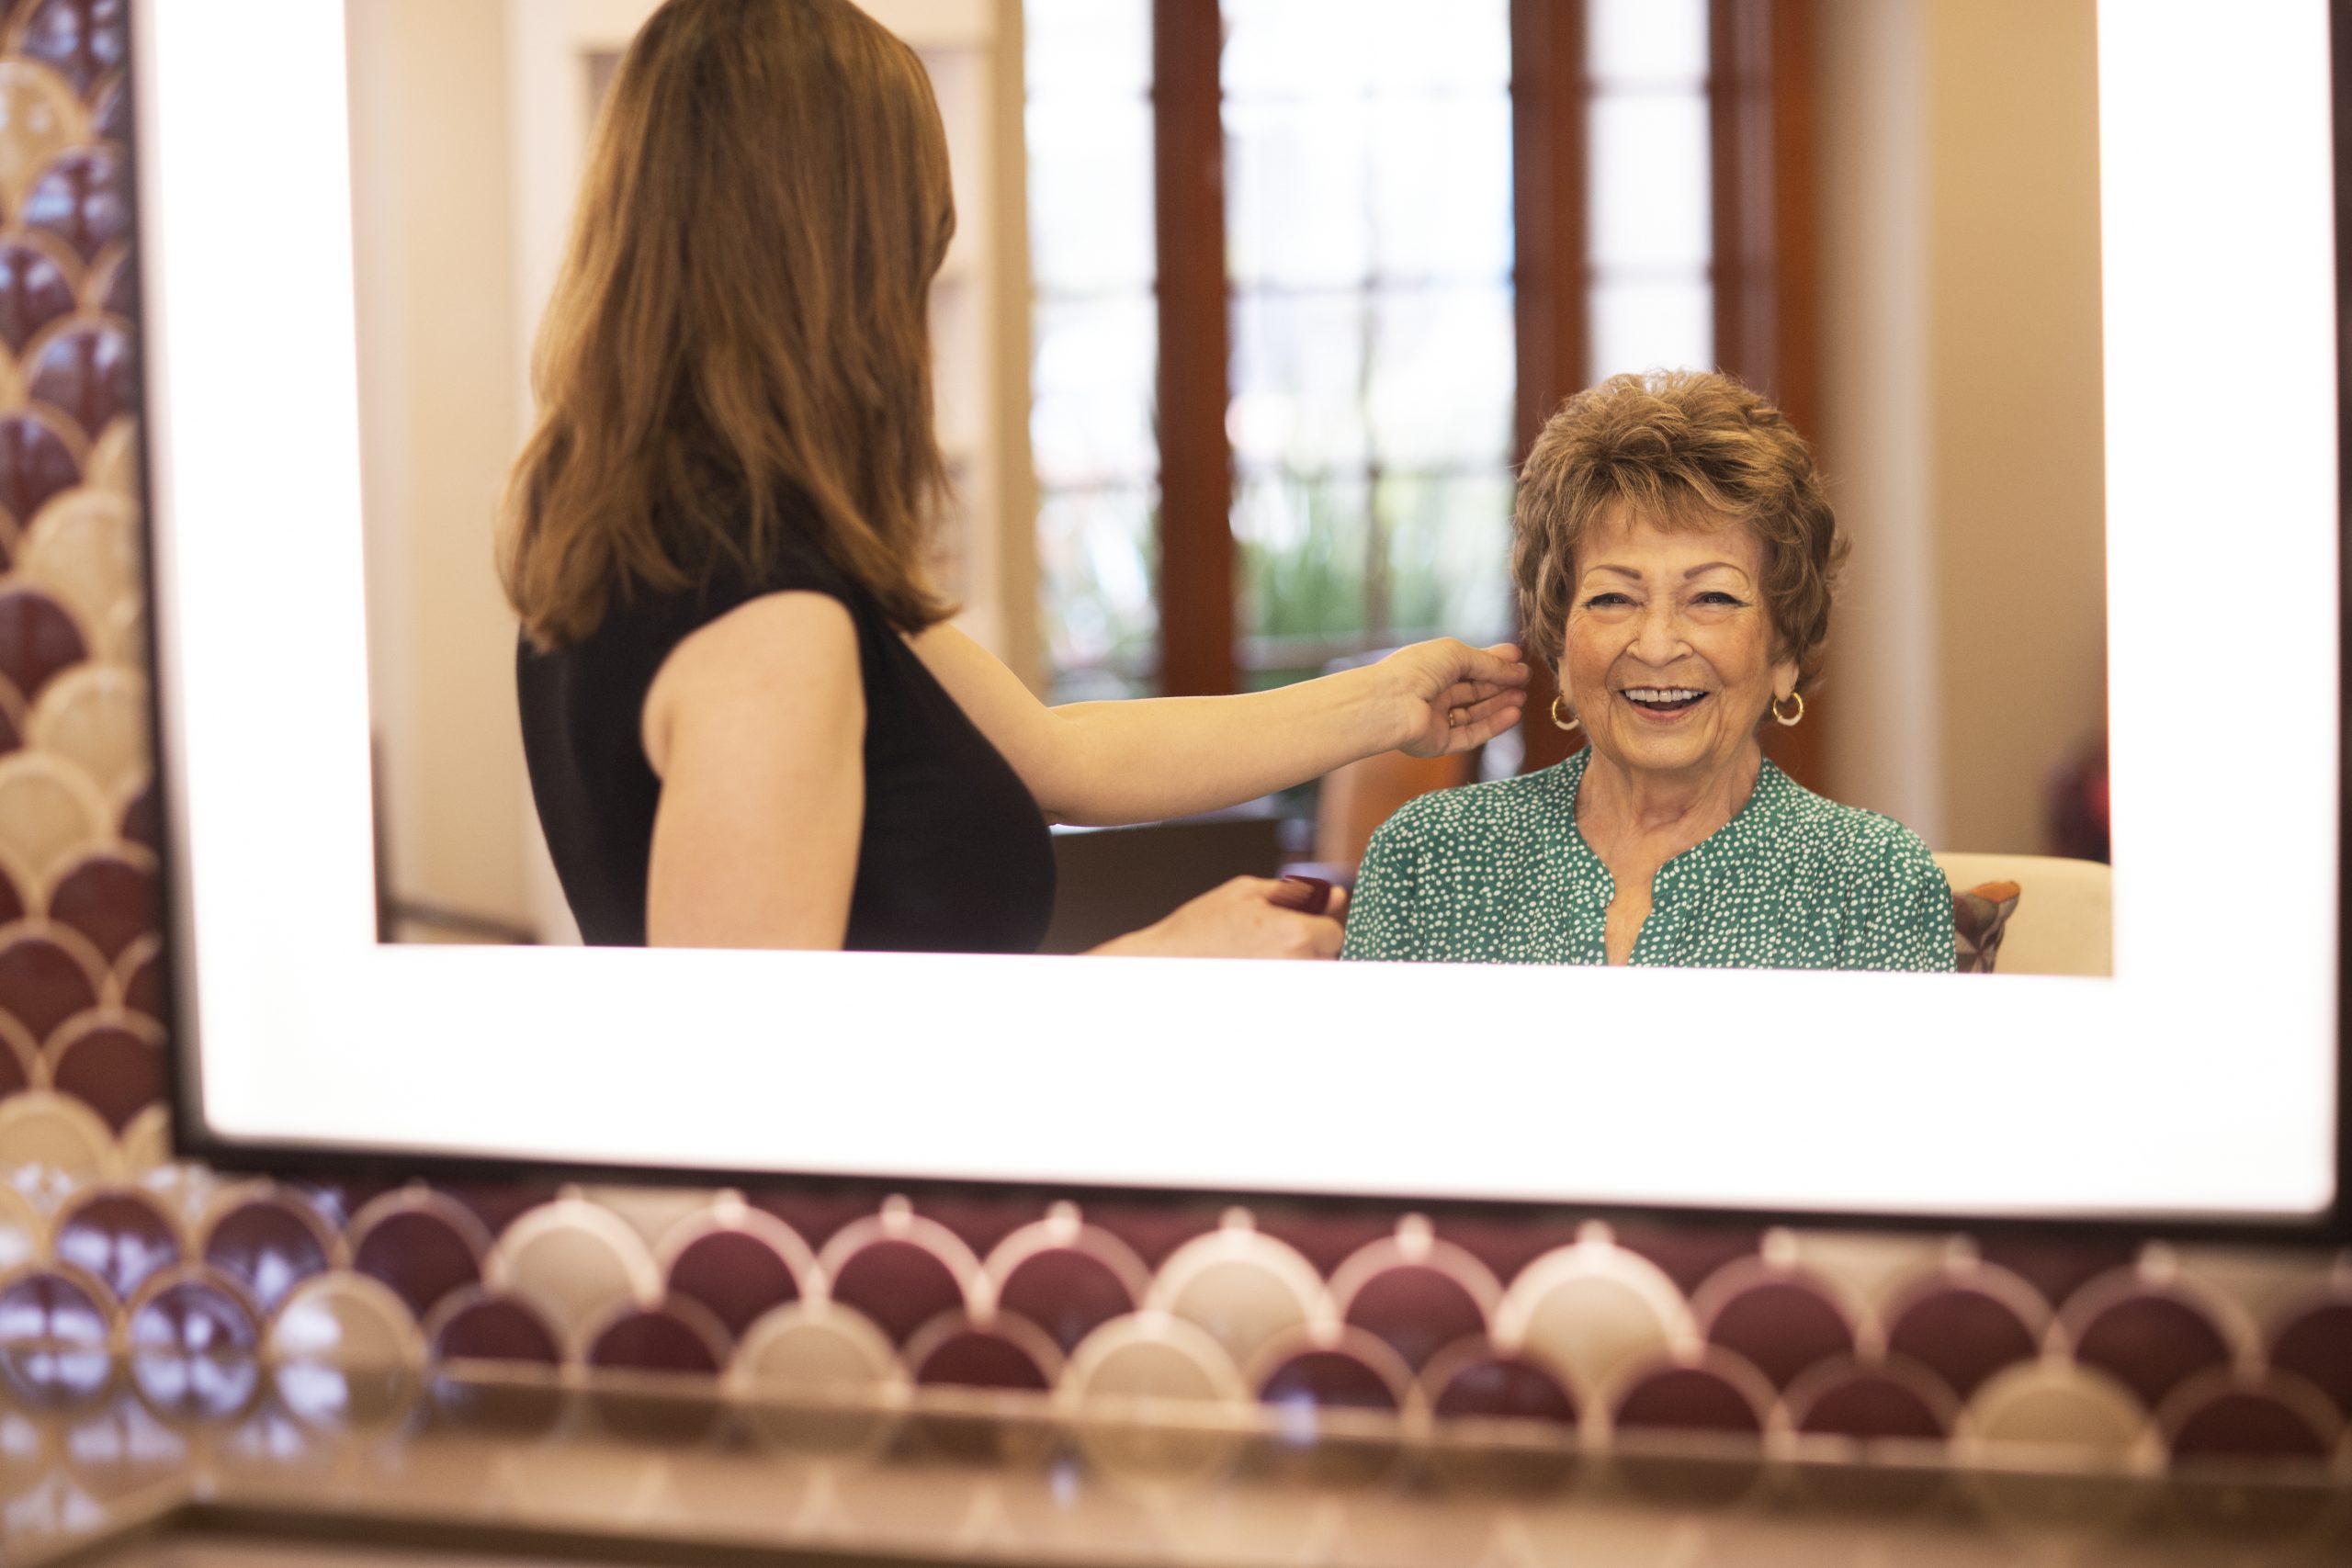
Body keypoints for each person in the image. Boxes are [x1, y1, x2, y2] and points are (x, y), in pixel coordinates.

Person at [498, 0, 1526, 958]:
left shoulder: (683, 542)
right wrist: (1159, 964)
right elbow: (760, 1087)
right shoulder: (766, 622)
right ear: (844, 266)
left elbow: (1058, 755)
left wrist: (1389, 699)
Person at [1340, 370, 1953, 971]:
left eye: (1712, 598)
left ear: (1785, 650)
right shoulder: (1428, 857)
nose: (1657, 645)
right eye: (1613, 598)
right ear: (1559, 646)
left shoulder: (1874, 882)